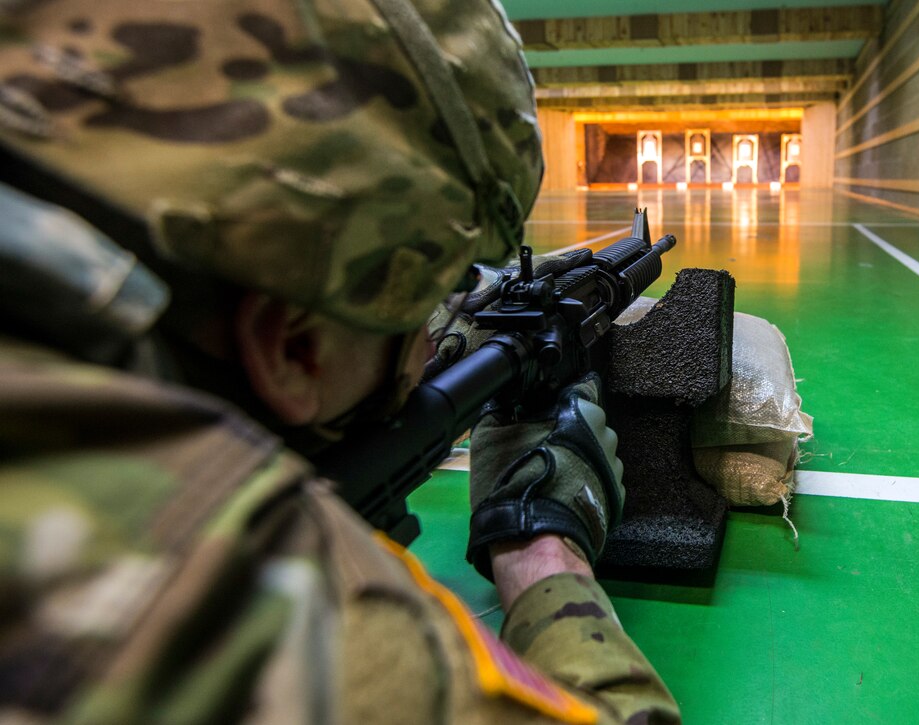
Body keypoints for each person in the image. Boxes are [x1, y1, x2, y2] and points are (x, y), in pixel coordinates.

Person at [0, 1, 681, 722]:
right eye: (425, 306)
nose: (430, 342)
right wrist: (542, 545)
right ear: (293, 346)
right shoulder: (236, 610)